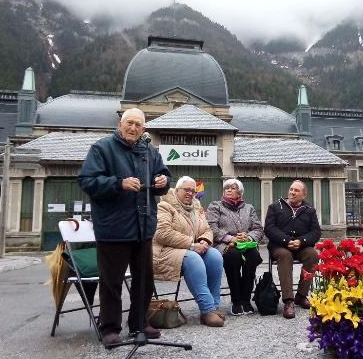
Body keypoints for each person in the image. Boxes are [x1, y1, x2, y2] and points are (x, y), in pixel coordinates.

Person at [78, 108, 171, 345]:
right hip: (113, 228)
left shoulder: (150, 152)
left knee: (145, 279)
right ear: (120, 124)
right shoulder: (102, 148)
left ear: (144, 129)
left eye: (138, 125)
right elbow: (87, 181)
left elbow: (163, 178)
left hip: (143, 226)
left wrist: (163, 182)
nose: (133, 128)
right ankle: (109, 327)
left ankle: (139, 323)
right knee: (112, 281)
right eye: (129, 123)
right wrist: (118, 184)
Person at [152, 176, 225, 327]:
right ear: (177, 190)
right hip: (165, 252)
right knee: (193, 259)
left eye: (193, 190)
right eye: (187, 190)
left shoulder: (196, 207)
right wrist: (191, 245)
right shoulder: (165, 206)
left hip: (188, 249)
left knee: (215, 256)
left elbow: (206, 229)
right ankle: (207, 309)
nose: (190, 193)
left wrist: (204, 240)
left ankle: (214, 306)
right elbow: (163, 233)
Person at [206, 178, 264, 316]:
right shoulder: (215, 206)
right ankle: (236, 301)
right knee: (233, 257)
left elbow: (258, 228)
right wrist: (231, 238)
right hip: (225, 244)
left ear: (240, 192)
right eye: (227, 188)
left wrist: (248, 237)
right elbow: (211, 227)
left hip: (246, 243)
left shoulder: (248, 208)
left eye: (233, 188)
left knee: (253, 257)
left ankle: (246, 299)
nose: (229, 190)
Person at [264, 180, 321, 319]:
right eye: (291, 189)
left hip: (301, 246)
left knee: (313, 255)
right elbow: (269, 229)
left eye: (296, 190)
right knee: (285, 256)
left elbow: (316, 232)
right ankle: (288, 301)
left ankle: (301, 296)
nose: (292, 192)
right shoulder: (275, 207)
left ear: (304, 195)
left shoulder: (310, 210)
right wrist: (286, 240)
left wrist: (301, 241)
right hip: (280, 246)